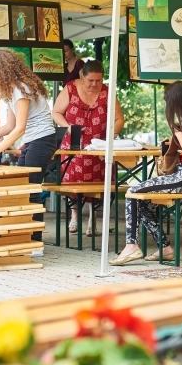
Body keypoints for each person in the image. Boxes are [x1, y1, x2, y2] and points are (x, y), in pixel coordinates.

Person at [112, 81, 182, 265]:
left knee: (132, 192)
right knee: (141, 202)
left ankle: (131, 246)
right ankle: (165, 248)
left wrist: (178, 133)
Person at [0, 50, 57, 245]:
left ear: (2, 70)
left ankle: (34, 242)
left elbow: (19, 128)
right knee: (23, 188)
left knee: (31, 189)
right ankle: (26, 237)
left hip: (43, 140)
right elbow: (9, 127)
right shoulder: (10, 91)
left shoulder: (20, 88)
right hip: (33, 140)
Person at [52, 59, 125, 236]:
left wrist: (111, 136)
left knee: (98, 185)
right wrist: (67, 127)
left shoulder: (107, 92)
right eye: (91, 80)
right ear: (82, 76)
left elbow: (119, 119)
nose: (94, 84)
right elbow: (56, 112)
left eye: (98, 80)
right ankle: (74, 217)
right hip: (74, 145)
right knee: (72, 182)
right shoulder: (70, 88)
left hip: (98, 148)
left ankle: (93, 220)